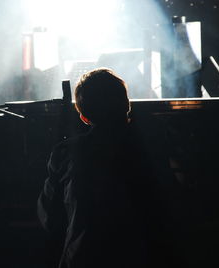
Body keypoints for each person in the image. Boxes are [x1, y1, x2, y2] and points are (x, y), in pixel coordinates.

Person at [37, 68, 162, 268]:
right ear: (126, 105)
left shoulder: (64, 153)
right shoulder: (153, 149)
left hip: (82, 259)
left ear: (84, 116)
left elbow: (50, 218)